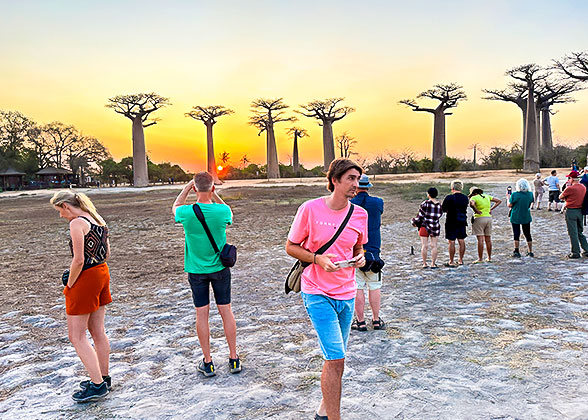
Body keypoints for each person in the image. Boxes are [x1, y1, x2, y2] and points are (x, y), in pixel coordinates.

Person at [285, 158, 368, 420]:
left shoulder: (360, 214)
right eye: (351, 178)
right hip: (317, 291)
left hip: (347, 292)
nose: (357, 184)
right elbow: (291, 246)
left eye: (358, 179)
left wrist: (361, 258)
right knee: (336, 358)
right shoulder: (310, 209)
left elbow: (358, 247)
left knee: (337, 358)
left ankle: (323, 410)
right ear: (334, 180)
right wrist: (317, 259)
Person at [172, 172, 241, 377]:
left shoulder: (186, 212)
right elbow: (228, 211)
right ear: (212, 187)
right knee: (226, 311)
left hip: (196, 271)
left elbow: (174, 207)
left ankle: (208, 362)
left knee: (202, 315)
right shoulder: (222, 211)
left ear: (194, 188)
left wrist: (186, 189)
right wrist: (215, 194)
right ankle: (233, 358)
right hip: (220, 269)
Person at [50, 191, 112, 403]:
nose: (61, 216)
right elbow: (107, 254)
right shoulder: (98, 219)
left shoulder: (77, 223)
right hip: (102, 273)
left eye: (60, 211)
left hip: (86, 278)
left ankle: (97, 386)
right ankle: (103, 378)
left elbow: (78, 260)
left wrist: (69, 283)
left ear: (66, 206)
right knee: (98, 332)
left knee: (76, 336)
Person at [350, 174, 385, 332]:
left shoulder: (350, 204)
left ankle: (360, 321)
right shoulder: (378, 202)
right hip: (373, 251)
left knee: (357, 287)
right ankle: (376, 320)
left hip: (354, 249)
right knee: (374, 286)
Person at [559, 170, 588, 259]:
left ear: (572, 179)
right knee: (580, 232)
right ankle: (586, 249)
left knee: (573, 232)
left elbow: (560, 196)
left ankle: (575, 252)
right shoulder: (583, 187)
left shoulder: (570, 188)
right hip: (580, 211)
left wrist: (566, 189)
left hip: (571, 210)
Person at [412, 187, 443, 268]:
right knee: (434, 246)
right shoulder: (439, 205)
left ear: (428, 194)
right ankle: (433, 264)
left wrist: (414, 222)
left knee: (424, 246)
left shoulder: (425, 204)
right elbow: (439, 215)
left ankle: (424, 263)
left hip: (424, 226)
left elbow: (420, 216)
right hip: (435, 227)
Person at [469, 187, 502, 263]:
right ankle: (489, 257)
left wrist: (476, 210)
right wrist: (491, 209)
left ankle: (480, 259)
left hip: (479, 218)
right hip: (488, 218)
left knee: (480, 240)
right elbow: (499, 201)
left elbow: (472, 204)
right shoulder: (486, 196)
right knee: (488, 239)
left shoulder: (474, 197)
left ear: (473, 193)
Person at [441, 180, 469, 266]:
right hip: (462, 221)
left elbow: (443, 209)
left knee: (451, 241)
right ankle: (460, 260)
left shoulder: (449, 197)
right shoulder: (465, 198)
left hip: (451, 221)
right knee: (461, 240)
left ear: (452, 188)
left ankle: (451, 261)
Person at [508, 178, 534, 257]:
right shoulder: (530, 194)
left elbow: (510, 205)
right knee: (527, 233)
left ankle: (516, 250)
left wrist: (508, 198)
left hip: (516, 215)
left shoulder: (515, 194)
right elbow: (530, 203)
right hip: (526, 215)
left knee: (516, 233)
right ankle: (530, 251)